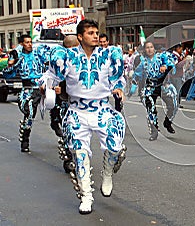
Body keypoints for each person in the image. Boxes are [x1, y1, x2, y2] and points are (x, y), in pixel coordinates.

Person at [43, 19, 127, 214]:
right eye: (90, 33)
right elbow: (50, 77)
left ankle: (107, 172)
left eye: (97, 32)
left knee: (114, 148)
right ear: (80, 37)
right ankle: (86, 196)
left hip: (101, 110)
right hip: (77, 111)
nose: (96, 36)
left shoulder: (108, 55)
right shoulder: (68, 56)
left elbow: (118, 79)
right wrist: (46, 87)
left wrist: (119, 89)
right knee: (80, 155)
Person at [3, 34, 48, 152]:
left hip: (42, 88)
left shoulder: (38, 54)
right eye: (27, 42)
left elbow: (49, 64)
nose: (29, 44)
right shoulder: (19, 57)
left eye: (30, 42)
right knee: (29, 113)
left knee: (59, 109)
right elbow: (9, 73)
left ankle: (58, 128)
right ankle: (25, 139)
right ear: (22, 44)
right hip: (28, 89)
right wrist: (11, 64)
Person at [132, 41, 178, 141]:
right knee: (151, 108)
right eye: (147, 47)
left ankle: (168, 122)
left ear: (154, 48)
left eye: (151, 47)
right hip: (150, 87)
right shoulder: (143, 62)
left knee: (173, 105)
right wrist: (132, 87)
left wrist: (165, 66)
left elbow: (172, 62)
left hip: (163, 86)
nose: (149, 49)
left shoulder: (161, 57)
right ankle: (154, 131)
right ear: (144, 50)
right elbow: (136, 75)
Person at [49, 35, 80, 173]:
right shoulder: (59, 61)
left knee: (79, 132)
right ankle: (69, 159)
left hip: (81, 102)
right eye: (70, 48)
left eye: (76, 47)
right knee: (69, 130)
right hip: (64, 101)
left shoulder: (84, 59)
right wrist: (53, 87)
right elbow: (49, 78)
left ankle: (79, 157)